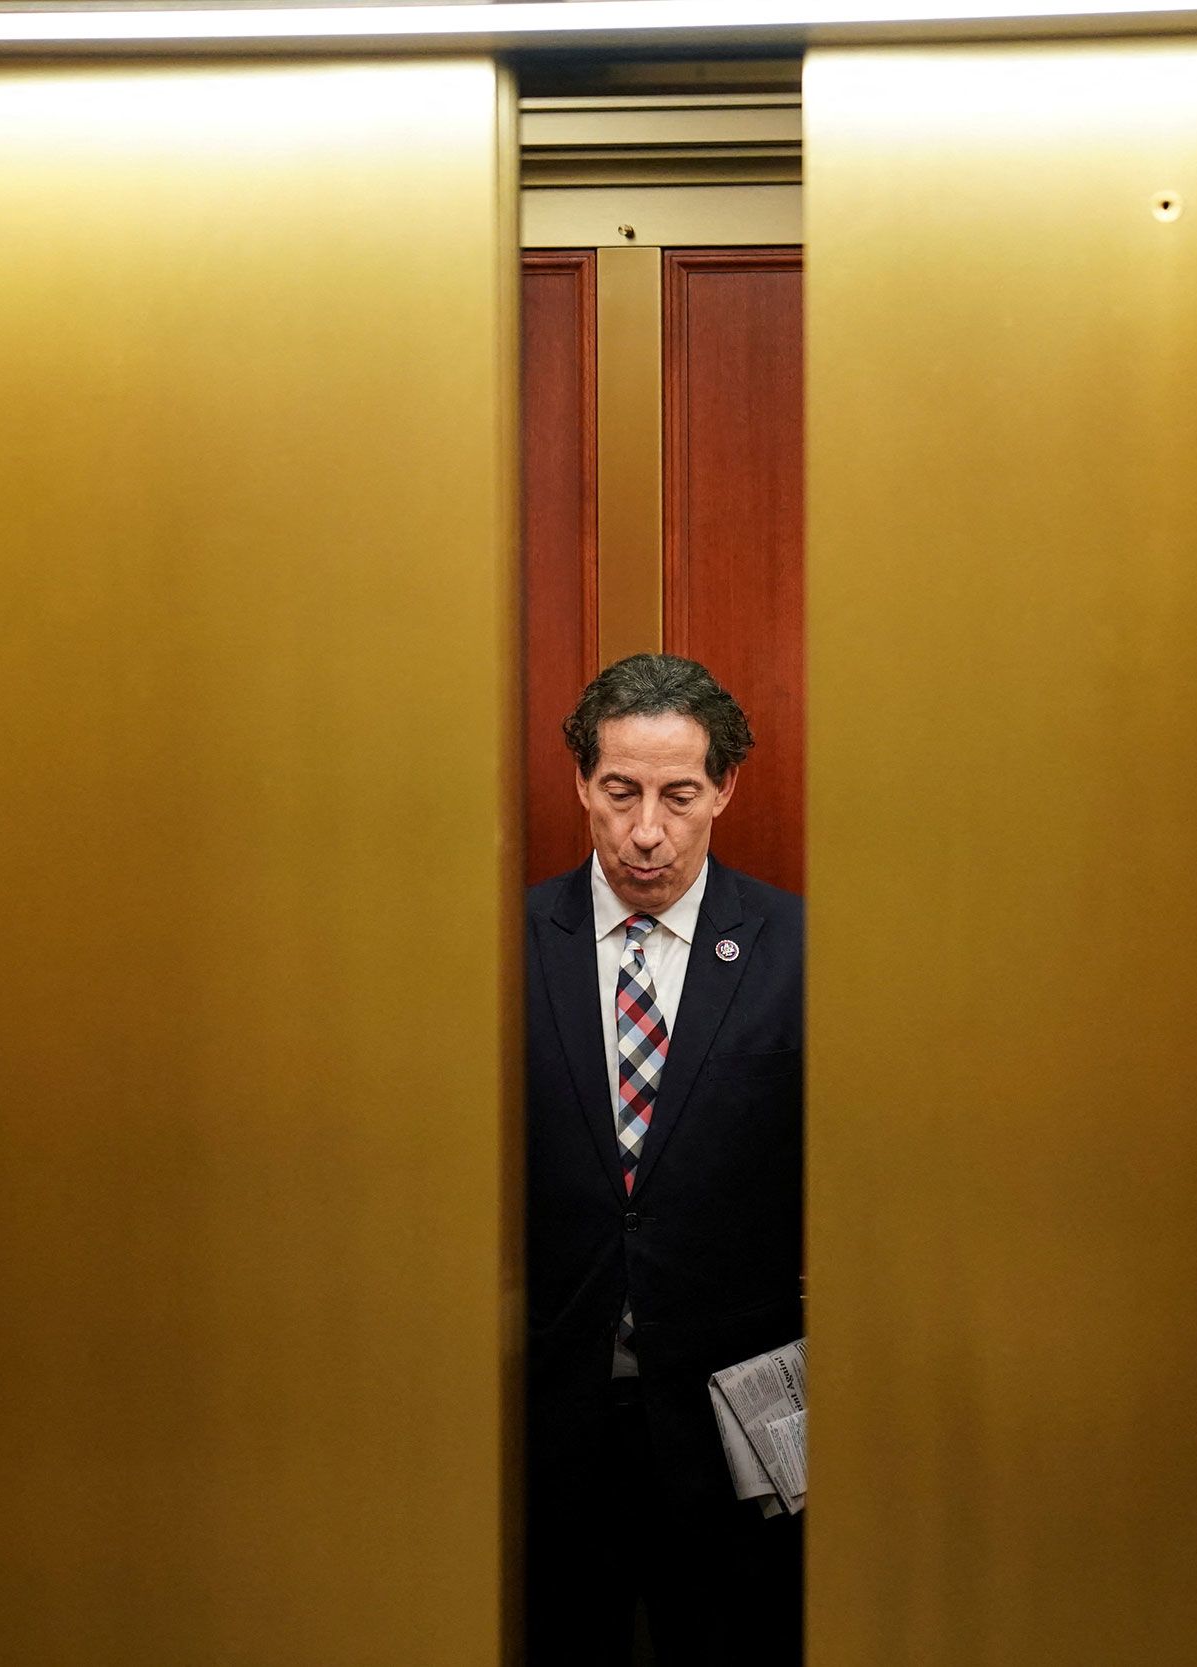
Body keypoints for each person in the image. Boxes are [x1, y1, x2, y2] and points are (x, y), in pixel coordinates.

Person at [523, 654, 805, 1665]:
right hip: (547, 1421)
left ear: (724, 787)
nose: (647, 830)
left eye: (679, 795)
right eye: (620, 792)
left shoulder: (801, 949)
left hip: (738, 1427)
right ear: (580, 783)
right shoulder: (504, 944)